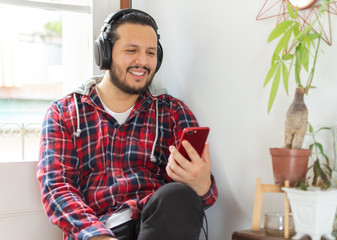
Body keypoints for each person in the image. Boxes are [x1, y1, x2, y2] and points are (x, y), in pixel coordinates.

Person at [37, 9, 218, 240]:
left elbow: (202, 200)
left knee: (180, 195)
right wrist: (99, 236)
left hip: (157, 227)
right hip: (100, 231)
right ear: (105, 53)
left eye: (150, 52)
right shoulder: (63, 113)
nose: (142, 61)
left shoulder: (173, 112)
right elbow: (57, 189)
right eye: (131, 50)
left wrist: (203, 186)